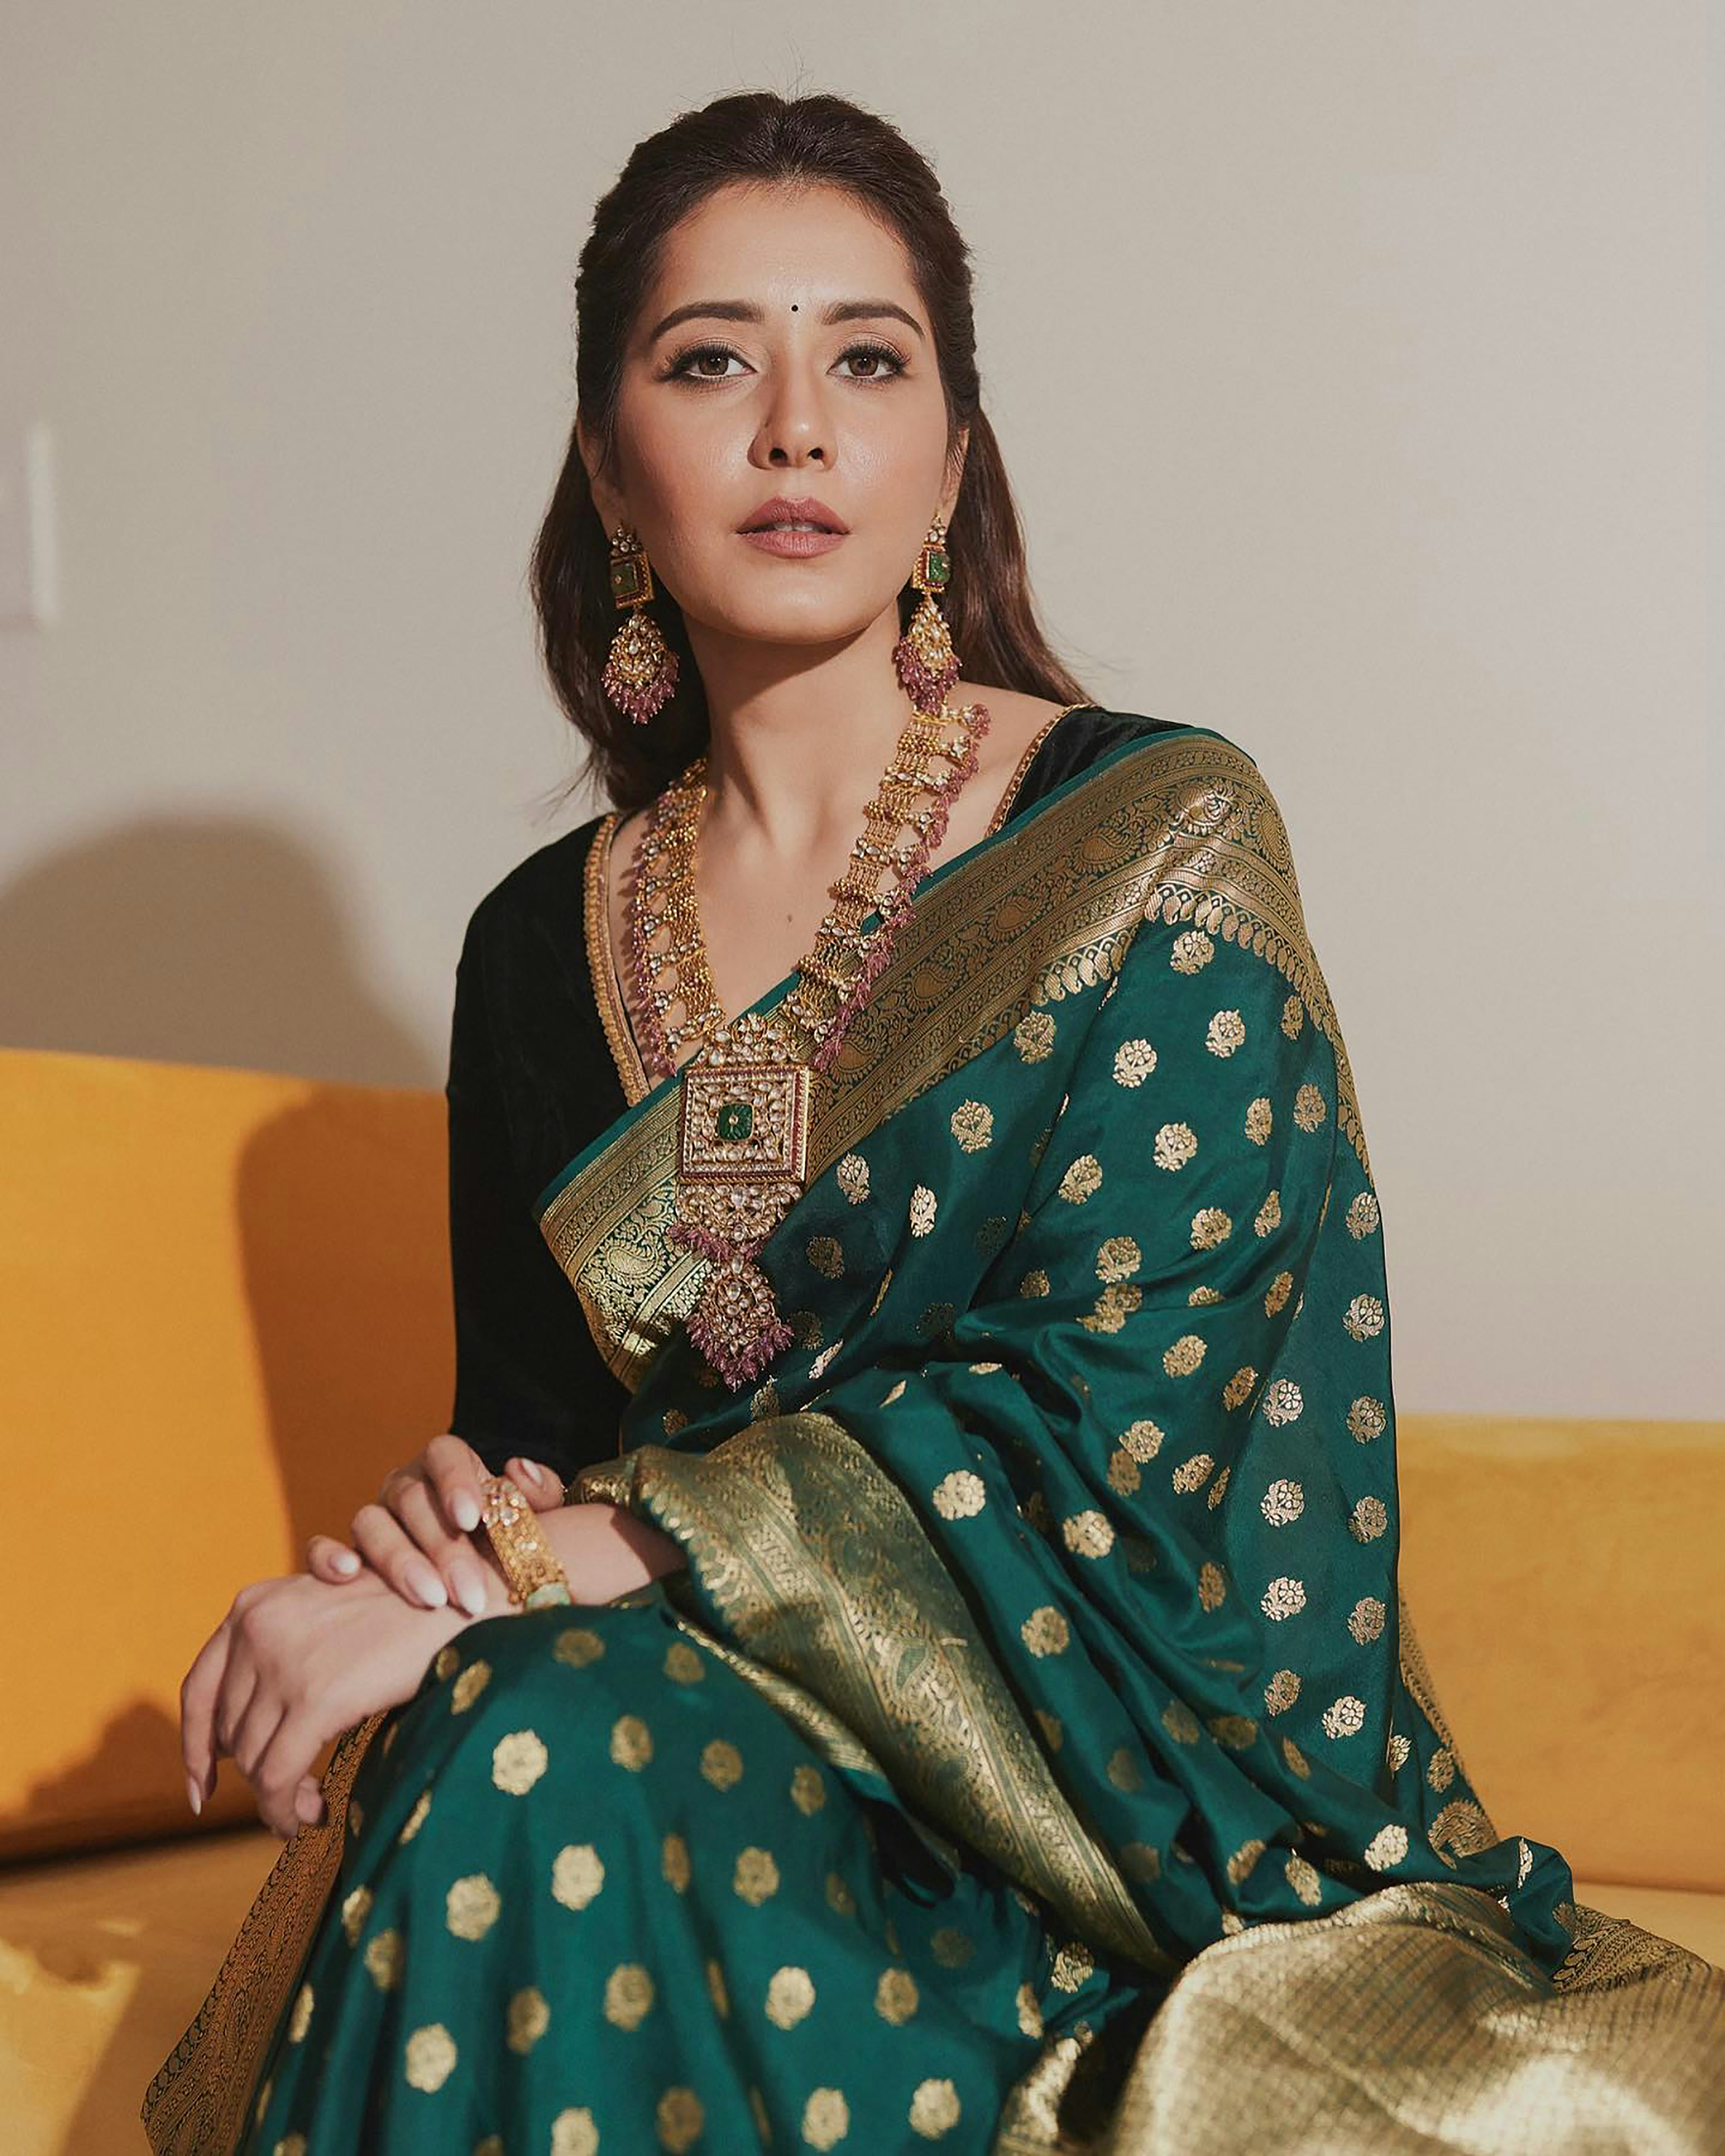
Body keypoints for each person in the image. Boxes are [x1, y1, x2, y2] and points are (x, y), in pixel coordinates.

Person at [143, 88, 1724, 2156]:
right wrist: (460, 1550)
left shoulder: (1153, 838)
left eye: (866, 360)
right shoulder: (540, 949)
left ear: (951, 457)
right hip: (696, 1742)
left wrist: (527, 1568)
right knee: (518, 1731)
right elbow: (554, 1449)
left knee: (525, 1739)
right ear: (618, 467)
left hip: (1120, 1791)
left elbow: (1128, 1440)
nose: (794, 426)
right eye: (711, 359)